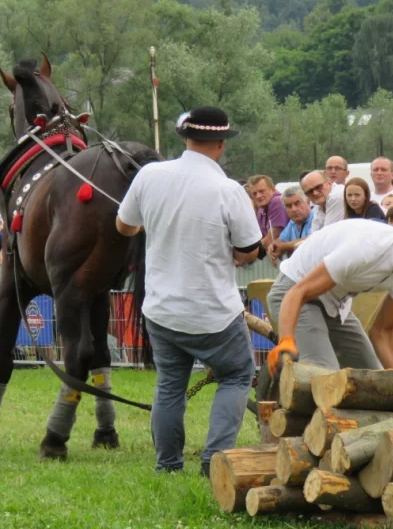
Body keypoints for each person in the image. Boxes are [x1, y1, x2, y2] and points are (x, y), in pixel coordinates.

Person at [115, 106, 261, 477]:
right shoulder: (229, 189)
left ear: (185, 137)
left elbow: (124, 226)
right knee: (237, 375)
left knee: (170, 386)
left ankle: (168, 464)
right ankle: (214, 458)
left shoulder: (150, 175)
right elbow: (249, 250)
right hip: (213, 310)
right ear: (222, 145)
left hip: (162, 309)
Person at [264, 206, 393, 376]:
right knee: (324, 373)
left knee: (372, 377)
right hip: (295, 293)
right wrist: (286, 340)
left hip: (334, 304)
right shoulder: (365, 249)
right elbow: (298, 293)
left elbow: (383, 332)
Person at [270, 186, 314, 265]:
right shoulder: (292, 222)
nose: (294, 209)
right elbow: (281, 240)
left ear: (308, 202)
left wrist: (284, 247)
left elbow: (311, 240)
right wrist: (272, 247)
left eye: (297, 203)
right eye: (288, 206)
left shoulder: (316, 217)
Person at [249, 175, 288, 249]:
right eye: (254, 193)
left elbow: (271, 239)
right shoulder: (261, 208)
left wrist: (248, 252)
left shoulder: (277, 201)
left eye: (261, 191)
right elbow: (258, 237)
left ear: (273, 189)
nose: (258, 196)